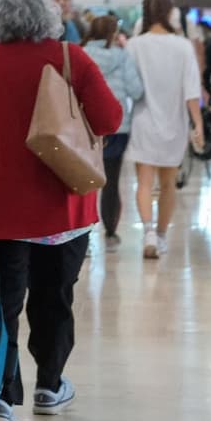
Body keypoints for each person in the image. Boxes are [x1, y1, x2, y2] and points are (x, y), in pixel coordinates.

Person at [0, 0, 121, 421]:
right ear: (49, 8)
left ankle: (1, 399)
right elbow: (109, 117)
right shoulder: (73, 60)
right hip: (60, 209)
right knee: (53, 298)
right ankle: (49, 384)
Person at [125, 0, 204, 259]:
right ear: (171, 12)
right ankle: (160, 235)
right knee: (168, 184)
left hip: (143, 120)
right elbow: (191, 90)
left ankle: (147, 231)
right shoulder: (182, 46)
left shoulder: (134, 45)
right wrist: (199, 124)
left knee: (144, 182)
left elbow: (128, 87)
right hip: (175, 124)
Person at [81, 15, 144, 250]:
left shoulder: (79, 54)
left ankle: (83, 237)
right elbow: (136, 91)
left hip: (85, 127)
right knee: (111, 180)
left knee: (83, 181)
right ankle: (110, 234)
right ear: (112, 34)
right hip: (117, 126)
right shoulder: (122, 56)